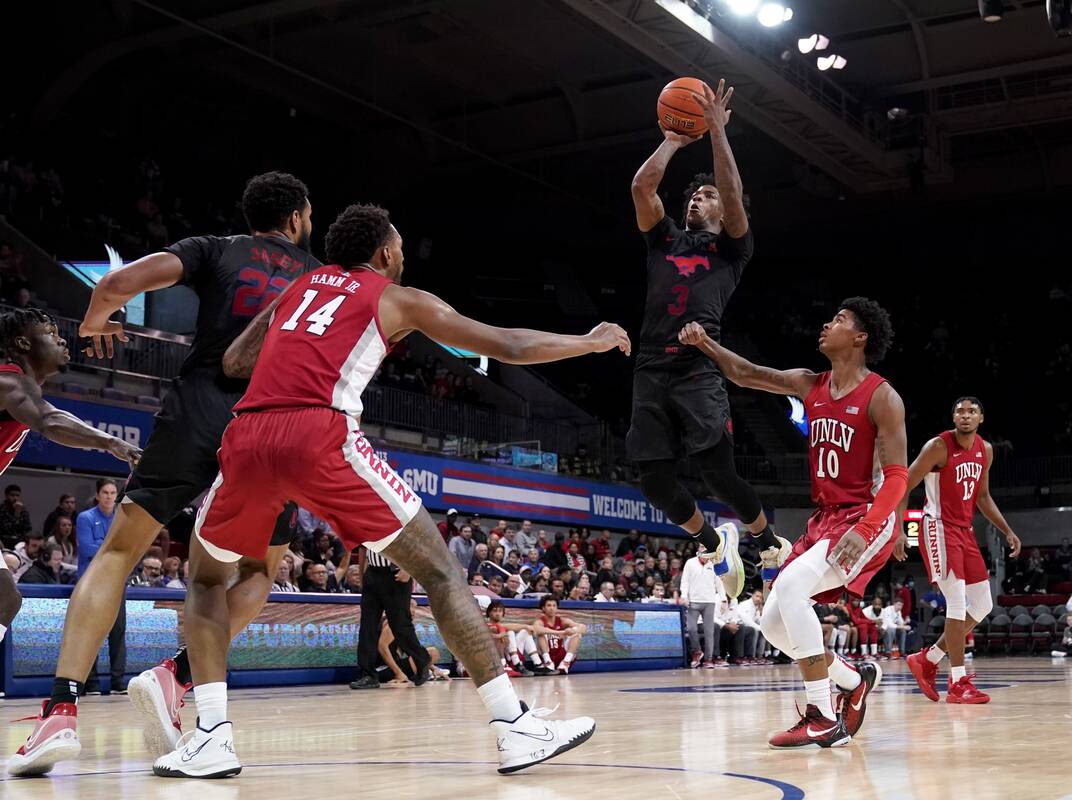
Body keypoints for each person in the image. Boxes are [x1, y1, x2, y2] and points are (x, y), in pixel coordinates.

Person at [144, 203, 620, 778]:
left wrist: (286, 321)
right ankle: (514, 728)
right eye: (397, 245)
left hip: (248, 436)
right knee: (441, 572)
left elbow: (236, 360)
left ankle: (212, 737)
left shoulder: (299, 287)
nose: (400, 253)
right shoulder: (395, 296)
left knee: (205, 578)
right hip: (319, 434)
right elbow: (507, 345)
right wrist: (589, 342)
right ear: (384, 254)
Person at [10, 172, 321, 777]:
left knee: (119, 553)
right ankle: (174, 673)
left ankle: (60, 713)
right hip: (269, 423)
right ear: (297, 219)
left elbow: (120, 282)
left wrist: (97, 320)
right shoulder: (318, 276)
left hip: (196, 407)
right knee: (261, 570)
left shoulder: (216, 248)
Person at [680, 296, 905, 748]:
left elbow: (898, 476)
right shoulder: (810, 383)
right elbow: (746, 373)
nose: (826, 323)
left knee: (790, 588)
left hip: (863, 517)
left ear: (860, 337)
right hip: (824, 519)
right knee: (772, 624)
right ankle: (853, 678)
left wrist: (867, 530)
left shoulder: (882, 396)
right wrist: (705, 343)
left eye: (838, 320)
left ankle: (822, 715)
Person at [627, 79, 785, 601]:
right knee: (653, 481)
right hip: (651, 364)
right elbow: (641, 189)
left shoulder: (732, 248)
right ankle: (709, 541)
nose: (699, 197)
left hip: (697, 365)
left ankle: (763, 538)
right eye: (695, 194)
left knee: (718, 473)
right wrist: (673, 139)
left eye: (707, 194)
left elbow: (734, 194)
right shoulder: (664, 238)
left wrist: (716, 130)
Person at [903, 396, 1022, 704]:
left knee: (982, 604)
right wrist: (895, 531)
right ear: (953, 416)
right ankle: (957, 683)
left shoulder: (986, 450)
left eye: (972, 411)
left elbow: (982, 496)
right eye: (960, 410)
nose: (965, 415)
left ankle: (927, 659)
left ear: (981, 417)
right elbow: (904, 484)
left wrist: (1007, 529)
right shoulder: (938, 447)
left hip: (965, 531)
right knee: (956, 603)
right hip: (938, 527)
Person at [351, 548, 429, 689]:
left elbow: (416, 543)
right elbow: (363, 548)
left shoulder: (401, 524)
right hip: (372, 573)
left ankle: (421, 658)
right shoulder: (366, 525)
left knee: (400, 625)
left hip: (396, 572)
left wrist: (409, 570)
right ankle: (368, 675)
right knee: (367, 626)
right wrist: (363, 576)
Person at [76, 479, 127, 695]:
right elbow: (88, 549)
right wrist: (114, 549)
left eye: (113, 492)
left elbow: (127, 547)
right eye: (105, 492)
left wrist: (110, 549)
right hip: (92, 582)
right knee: (92, 633)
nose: (109, 496)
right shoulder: (85, 518)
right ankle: (92, 683)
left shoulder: (122, 519)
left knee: (118, 632)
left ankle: (117, 683)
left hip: (116, 581)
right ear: (97, 495)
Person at [681, 551, 722, 668]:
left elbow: (719, 583)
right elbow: (685, 580)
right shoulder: (690, 563)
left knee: (709, 632)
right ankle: (697, 651)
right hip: (693, 601)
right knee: (691, 628)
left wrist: (723, 599)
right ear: (698, 553)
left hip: (709, 601)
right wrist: (684, 595)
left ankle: (708, 659)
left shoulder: (714, 564)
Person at [534, 596, 586, 675]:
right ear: (543, 608)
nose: (552, 608)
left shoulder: (562, 620)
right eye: (549, 605)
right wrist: (561, 632)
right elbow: (536, 629)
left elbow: (583, 627)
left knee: (577, 634)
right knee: (540, 634)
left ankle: (565, 662)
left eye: (554, 605)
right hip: (547, 653)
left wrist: (573, 631)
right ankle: (548, 663)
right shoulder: (540, 621)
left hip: (561, 654)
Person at [0, 483, 32, 550]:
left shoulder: (23, 511)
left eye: (17, 495)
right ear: (6, 496)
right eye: (12, 495)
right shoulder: (1, 510)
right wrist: (17, 514)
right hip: (4, 540)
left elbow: (28, 529)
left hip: (20, 541)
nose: (15, 498)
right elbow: (8, 530)